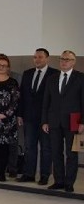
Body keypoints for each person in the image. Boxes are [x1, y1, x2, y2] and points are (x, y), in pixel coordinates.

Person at [42, 50, 84, 192]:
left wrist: (82, 122)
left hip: (74, 121)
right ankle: (58, 180)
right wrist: (44, 121)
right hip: (54, 121)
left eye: (68, 59)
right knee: (56, 152)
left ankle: (69, 183)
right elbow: (46, 102)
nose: (64, 61)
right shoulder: (52, 78)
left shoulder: (80, 78)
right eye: (62, 59)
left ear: (74, 62)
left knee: (72, 153)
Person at [17, 48, 58, 185]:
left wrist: (50, 118)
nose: (37, 59)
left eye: (40, 57)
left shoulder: (54, 74)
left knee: (46, 148)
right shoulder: (28, 73)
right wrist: (20, 114)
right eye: (35, 57)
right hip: (29, 118)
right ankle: (29, 174)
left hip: (46, 119)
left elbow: (55, 99)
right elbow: (22, 96)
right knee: (29, 147)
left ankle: (45, 175)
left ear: (47, 58)